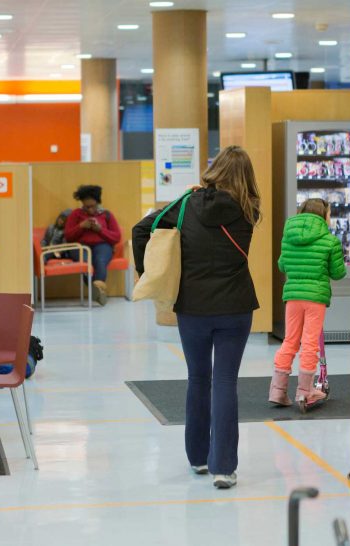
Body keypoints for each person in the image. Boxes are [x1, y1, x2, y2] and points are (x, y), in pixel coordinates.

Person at [132, 146, 261, 490]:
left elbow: (141, 229)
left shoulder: (186, 205)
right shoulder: (251, 209)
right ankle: (224, 468)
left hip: (193, 308)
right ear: (247, 177)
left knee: (198, 379)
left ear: (214, 170)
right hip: (236, 307)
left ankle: (198, 457)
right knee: (225, 383)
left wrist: (145, 271)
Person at [269, 198, 347, 410]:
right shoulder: (329, 241)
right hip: (315, 298)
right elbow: (339, 273)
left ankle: (277, 390)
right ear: (324, 215)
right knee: (310, 343)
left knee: (290, 341)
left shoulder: (289, 236)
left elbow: (282, 265)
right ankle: (304, 393)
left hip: (293, 297)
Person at [64, 185, 121, 306]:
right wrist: (81, 226)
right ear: (82, 204)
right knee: (85, 263)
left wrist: (100, 230)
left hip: (102, 245)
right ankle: (98, 292)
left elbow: (116, 237)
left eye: (93, 206)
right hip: (80, 246)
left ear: (98, 202)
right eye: (86, 207)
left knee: (100, 261)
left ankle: (97, 291)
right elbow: (68, 236)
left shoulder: (106, 214)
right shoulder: (76, 214)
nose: (90, 210)